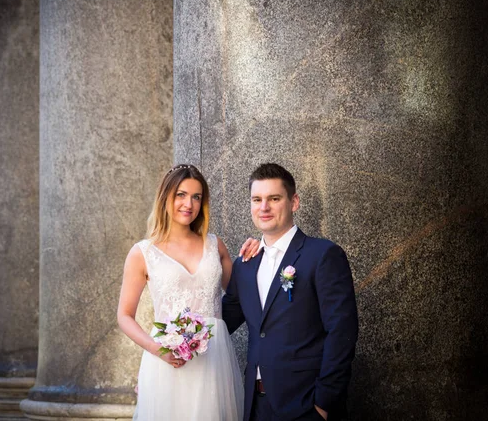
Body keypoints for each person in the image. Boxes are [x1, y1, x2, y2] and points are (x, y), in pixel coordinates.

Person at [117, 164, 258, 421]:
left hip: (214, 360)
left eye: (196, 197)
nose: (188, 204)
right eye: (181, 194)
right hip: (167, 361)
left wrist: (258, 252)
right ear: (166, 197)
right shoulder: (143, 252)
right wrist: (159, 349)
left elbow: (244, 293)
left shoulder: (215, 245)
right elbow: (124, 316)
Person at [223, 163, 359, 421]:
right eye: (257, 199)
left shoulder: (322, 255)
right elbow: (220, 319)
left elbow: (342, 331)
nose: (264, 207)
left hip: (307, 404)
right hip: (255, 405)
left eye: (274, 198)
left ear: (293, 202)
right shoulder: (244, 264)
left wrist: (323, 403)